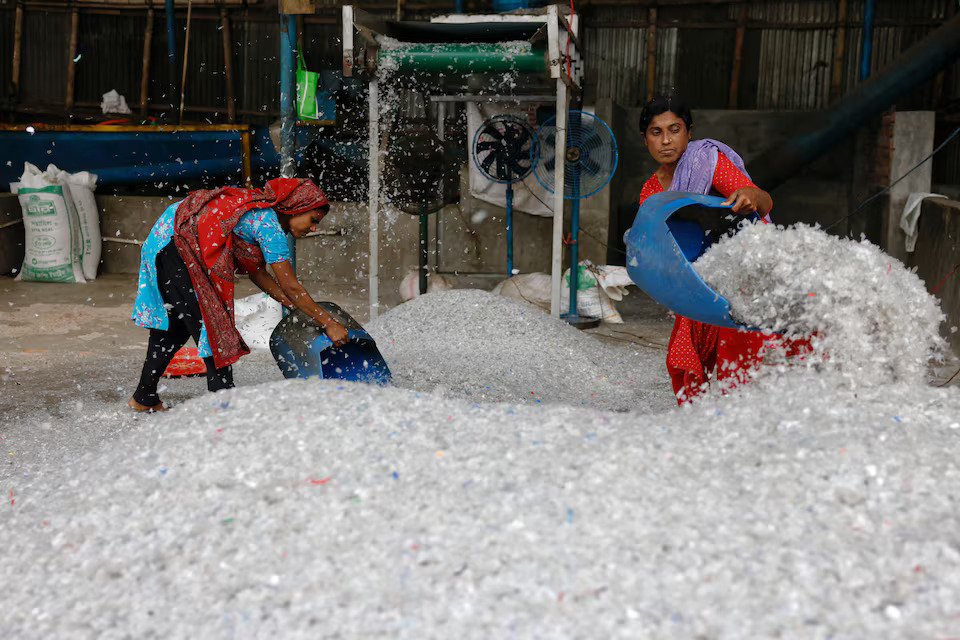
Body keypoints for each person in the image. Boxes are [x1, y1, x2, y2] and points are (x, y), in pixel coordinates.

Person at [129, 177, 349, 412]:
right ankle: (224, 406)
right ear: (295, 208)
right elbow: (292, 286)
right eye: (313, 220)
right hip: (179, 241)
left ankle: (145, 397)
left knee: (177, 326)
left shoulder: (262, 216)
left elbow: (257, 272)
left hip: (168, 239)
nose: (313, 228)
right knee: (214, 326)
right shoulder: (268, 224)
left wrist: (292, 304)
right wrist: (329, 323)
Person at [636, 94, 774, 404]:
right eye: (656, 132)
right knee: (685, 359)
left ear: (689, 132)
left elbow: (764, 201)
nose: (666, 140)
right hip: (693, 284)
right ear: (645, 139)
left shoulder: (707, 164)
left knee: (736, 353)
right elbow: (656, 248)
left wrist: (749, 194)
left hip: (737, 272)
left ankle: (736, 418)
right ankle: (701, 426)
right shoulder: (651, 192)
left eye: (675, 129)